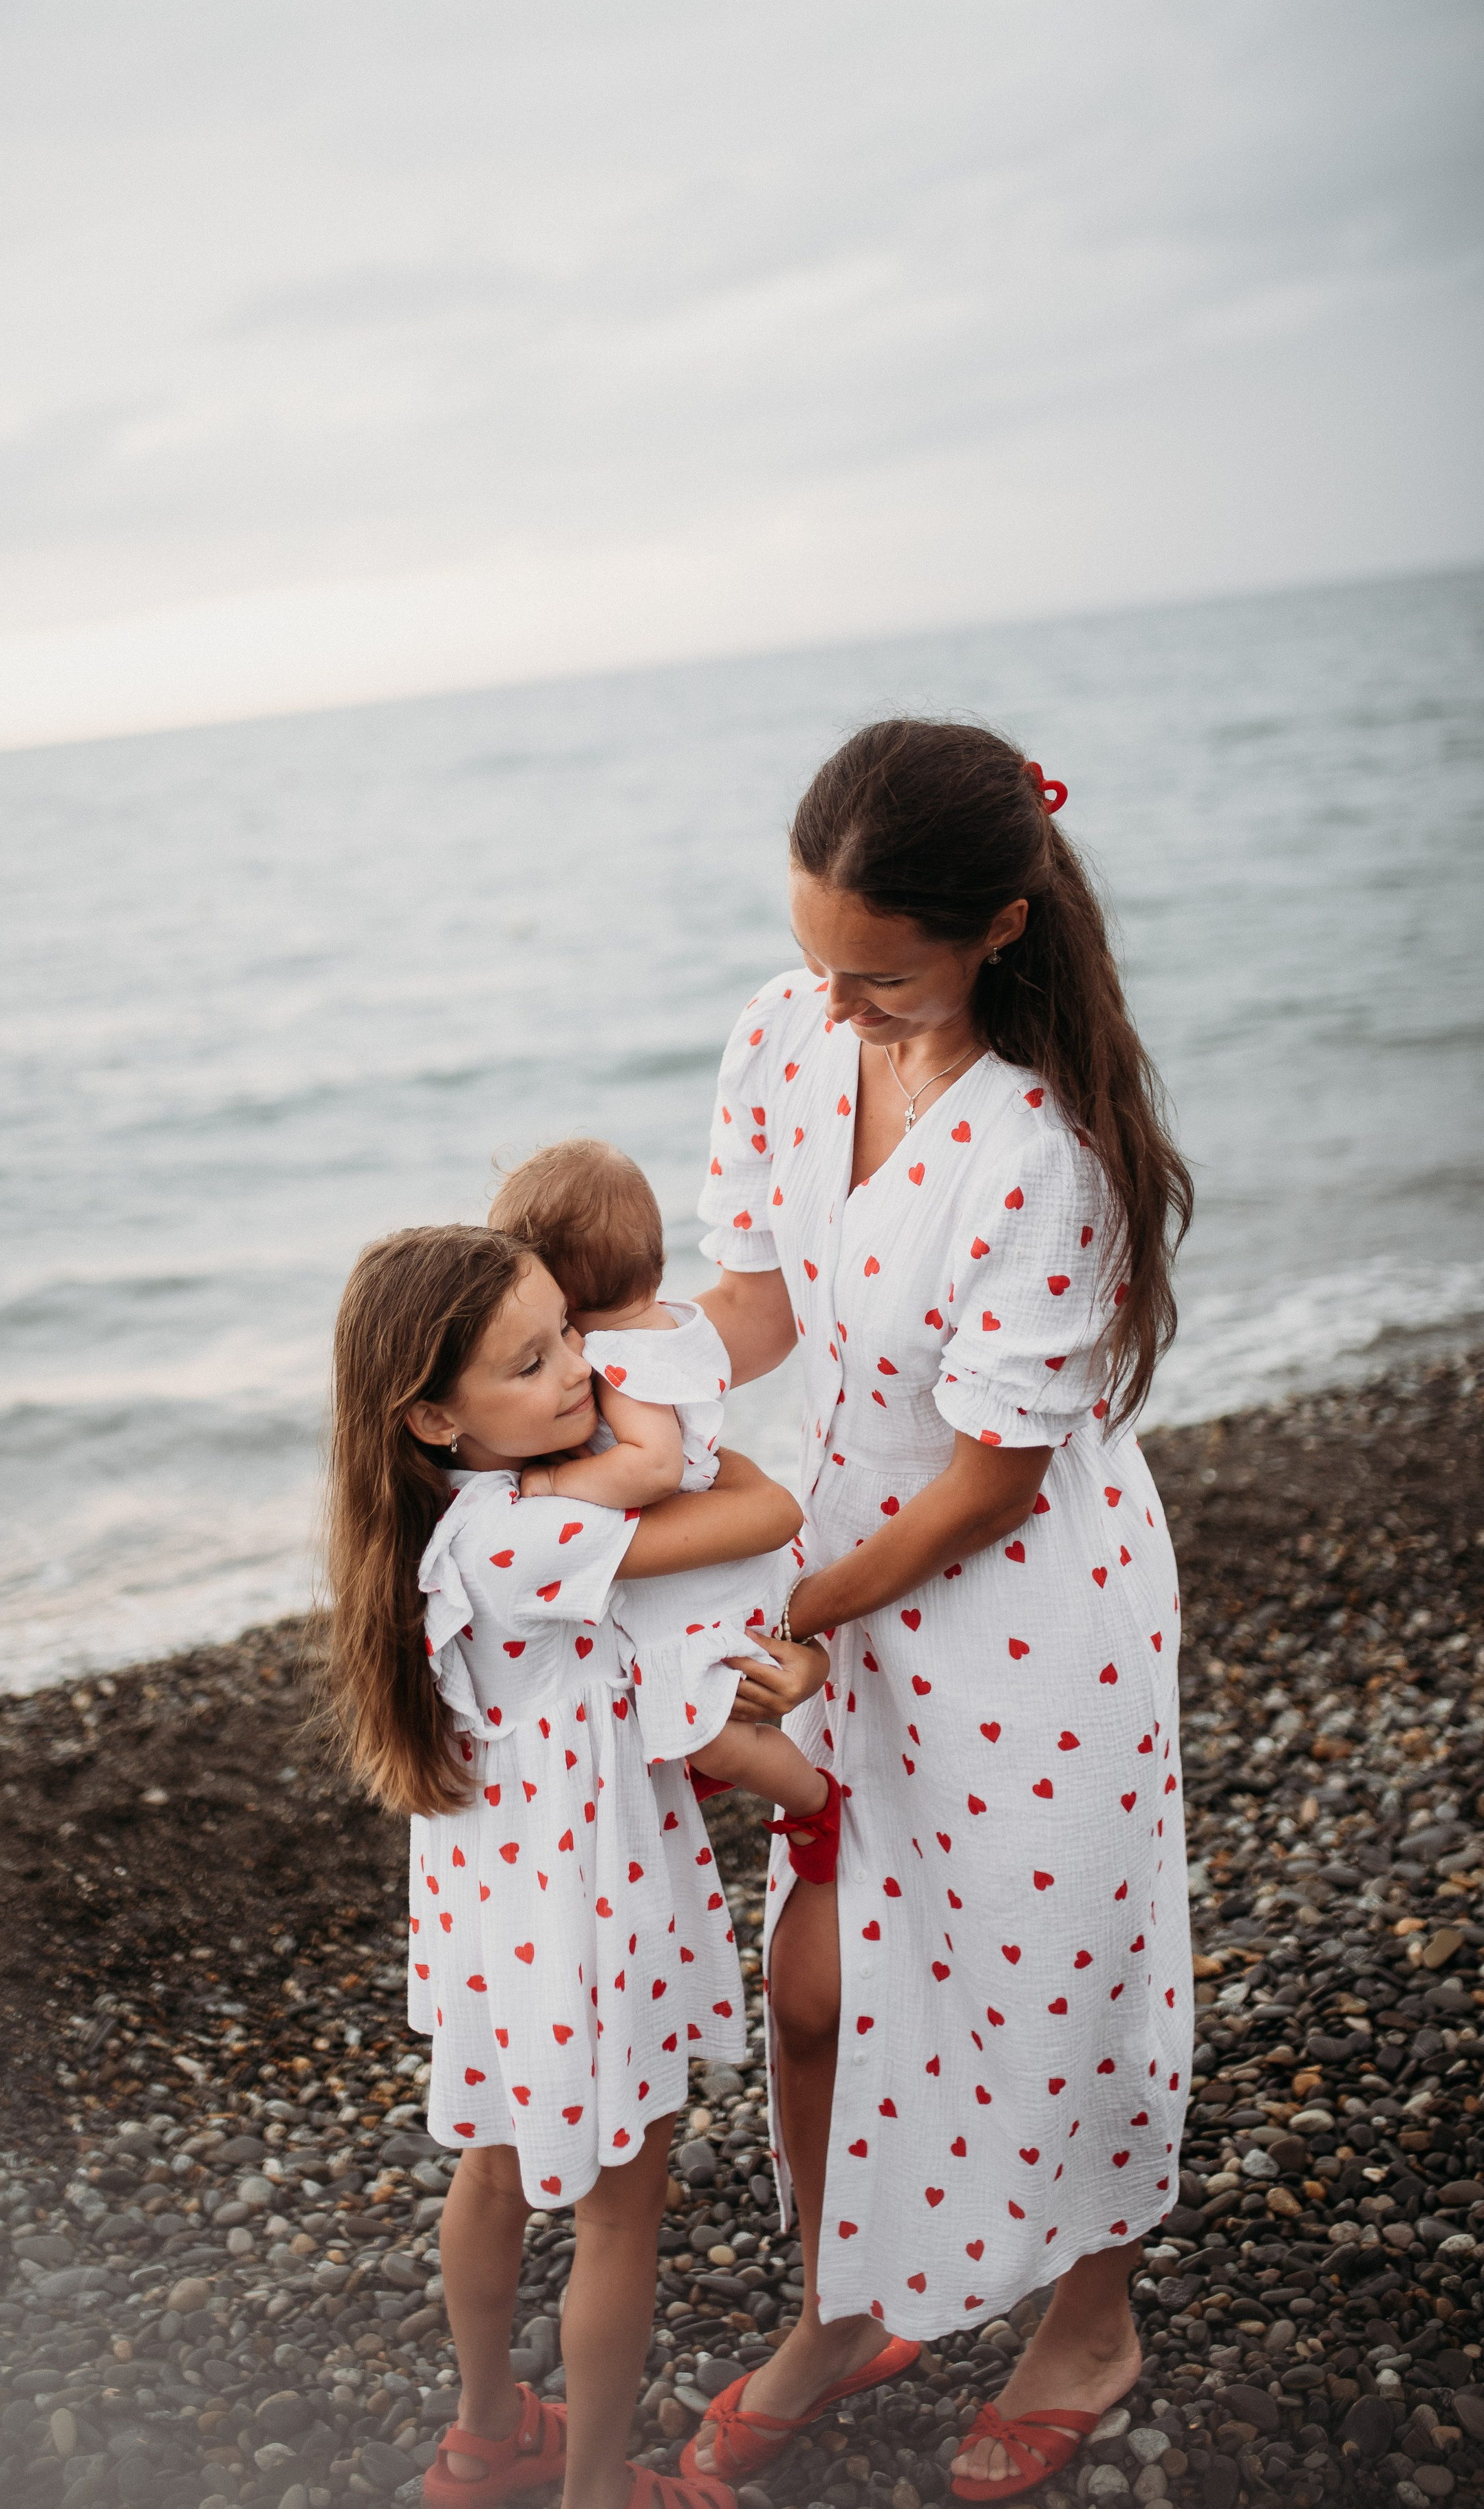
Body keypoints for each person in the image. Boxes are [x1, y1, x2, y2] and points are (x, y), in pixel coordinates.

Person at [685, 719, 1196, 2505]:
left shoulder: (1046, 1153)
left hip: (1018, 1608)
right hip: (823, 1586)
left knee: (1055, 1975)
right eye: (820, 960)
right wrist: (600, 1394)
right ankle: (847, 2299)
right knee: (815, 1986)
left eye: (880, 979)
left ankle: (1093, 2313)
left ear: (999, 926)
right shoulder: (785, 1024)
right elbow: (751, 1303)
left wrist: (791, 1601)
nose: (835, 1010)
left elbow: (992, 1478)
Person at [321, 1222, 815, 2509]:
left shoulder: (442, 1519)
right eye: (531, 1364)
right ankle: (602, 2490)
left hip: (496, 1914)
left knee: (491, 2166)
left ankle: (489, 2435)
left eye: (575, 1338)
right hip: (585, 1908)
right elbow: (767, 1512)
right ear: (433, 1415)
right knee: (616, 2212)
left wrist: (602, 1441)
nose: (581, 1375)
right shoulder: (528, 1530)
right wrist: (680, 1442)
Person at [489, 1136, 841, 1878]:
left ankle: (813, 1802)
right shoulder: (679, 1324)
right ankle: (719, 1747)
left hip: (701, 1559)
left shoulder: (616, 1358)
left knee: (705, 1723)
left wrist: (554, 1487)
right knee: (694, 1703)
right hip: (724, 1532)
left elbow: (652, 1464)